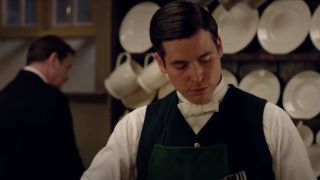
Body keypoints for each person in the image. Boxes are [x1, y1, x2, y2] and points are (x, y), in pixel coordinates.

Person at [81, 2, 315, 180]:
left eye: (205, 58)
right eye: (180, 65)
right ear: (161, 64)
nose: (198, 75)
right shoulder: (134, 128)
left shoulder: (272, 122)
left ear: (220, 47)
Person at [0, 35, 84, 180]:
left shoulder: (3, 95)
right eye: (67, 67)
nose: (67, 76)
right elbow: (67, 159)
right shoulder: (54, 99)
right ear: (53, 60)